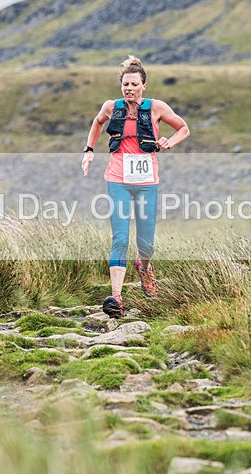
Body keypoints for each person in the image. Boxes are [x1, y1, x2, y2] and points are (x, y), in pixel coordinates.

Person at [81, 56, 189, 318]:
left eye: (134, 84)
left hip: (146, 181)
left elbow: (184, 128)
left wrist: (169, 142)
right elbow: (97, 122)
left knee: (145, 242)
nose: (129, 88)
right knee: (119, 237)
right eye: (125, 84)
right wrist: (89, 149)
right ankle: (116, 297)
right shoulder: (111, 107)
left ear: (144, 86)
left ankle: (145, 267)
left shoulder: (157, 108)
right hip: (117, 179)